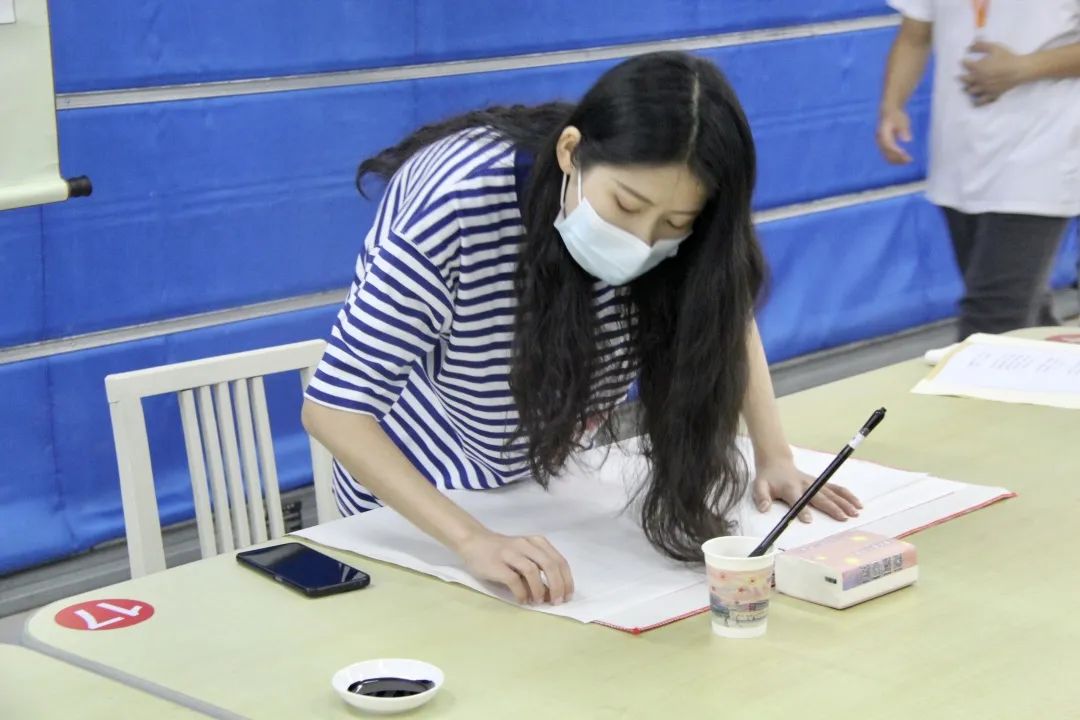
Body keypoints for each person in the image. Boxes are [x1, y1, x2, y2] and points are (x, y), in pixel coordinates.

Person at [302, 51, 861, 607]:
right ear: (570, 152)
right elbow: (335, 409)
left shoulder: (685, 230)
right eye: (626, 205)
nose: (641, 242)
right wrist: (471, 539)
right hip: (419, 504)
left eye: (672, 224)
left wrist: (773, 455)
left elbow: (723, 312)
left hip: (540, 490)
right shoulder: (457, 204)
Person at [877, 0, 1080, 341]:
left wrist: (1024, 68)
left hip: (1041, 154)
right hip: (958, 156)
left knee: (991, 321)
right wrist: (892, 106)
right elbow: (914, 34)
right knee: (1024, 317)